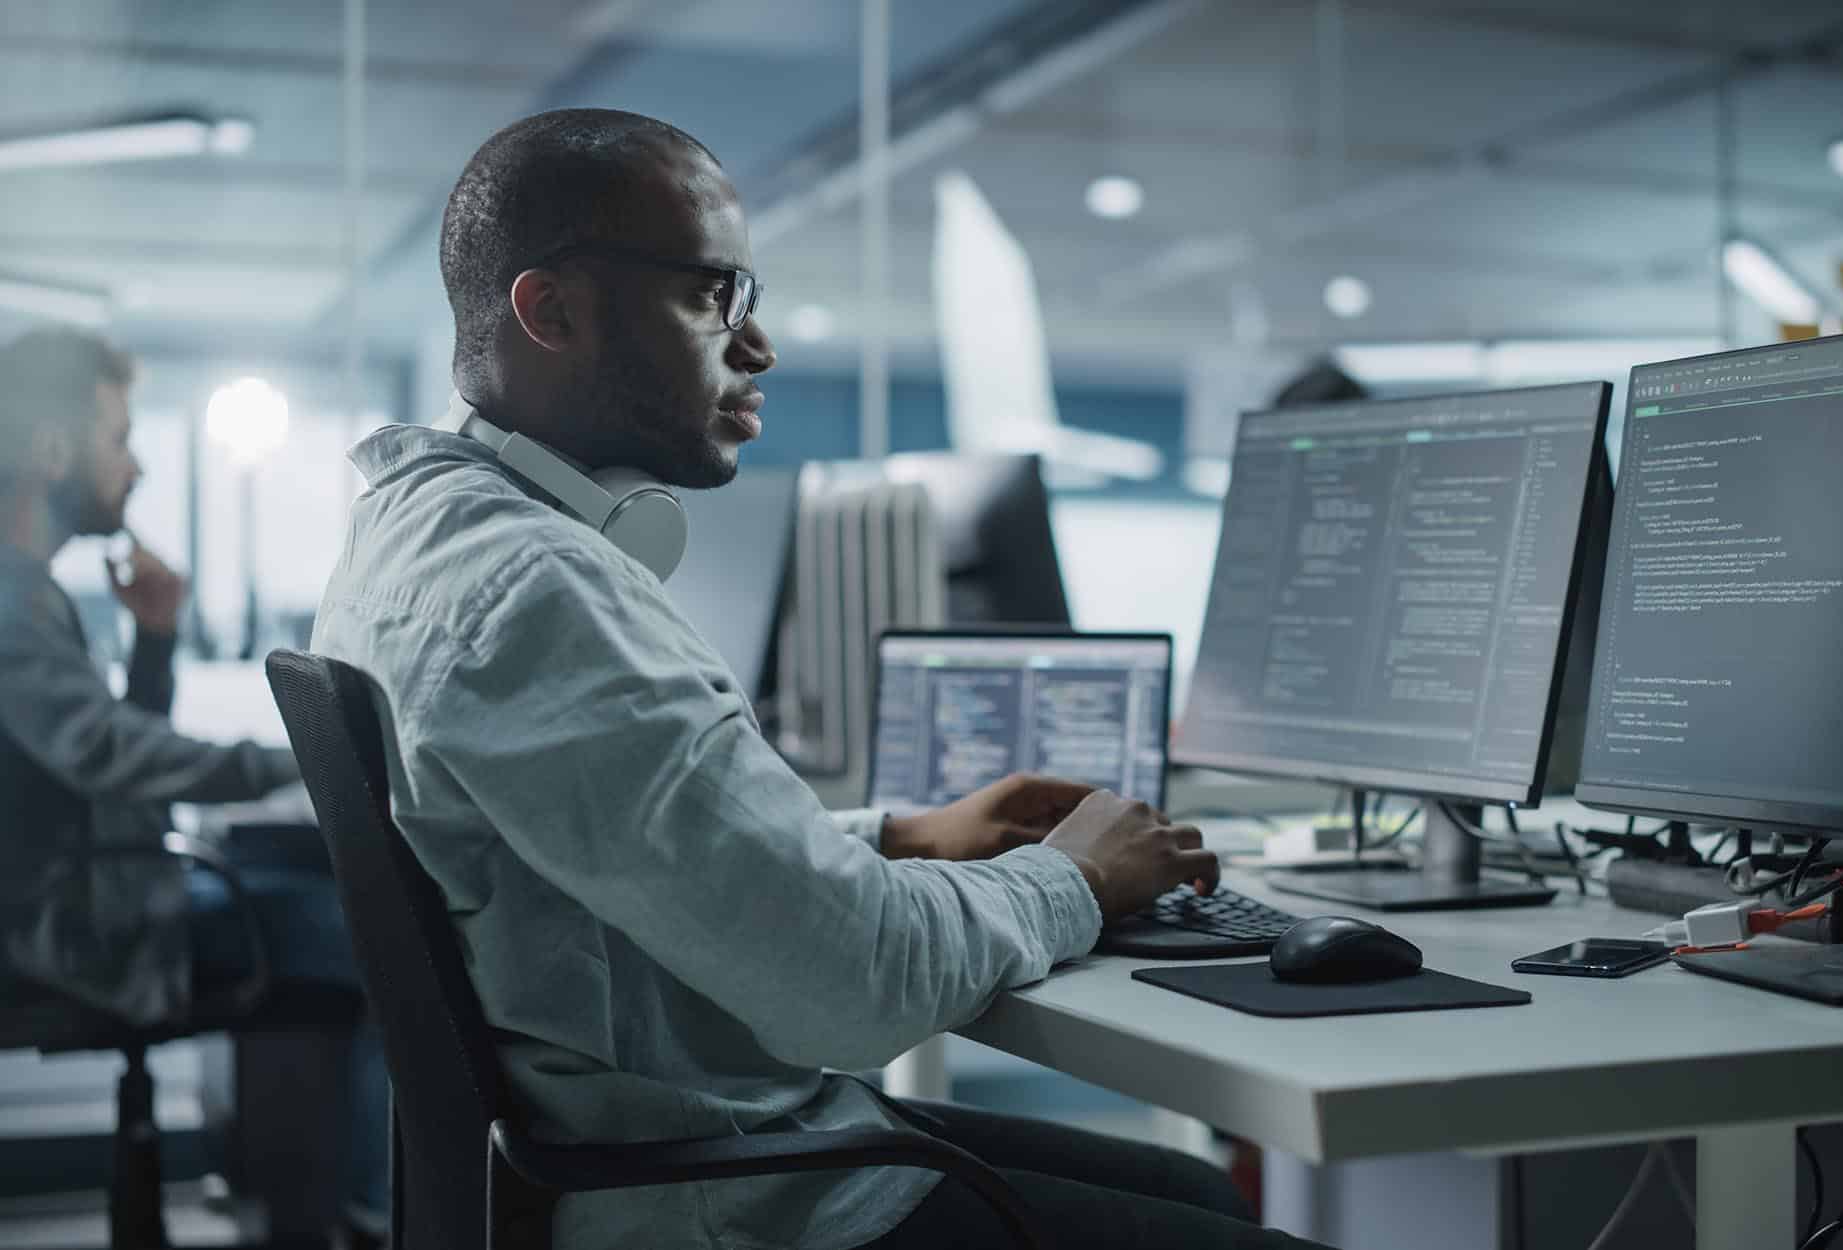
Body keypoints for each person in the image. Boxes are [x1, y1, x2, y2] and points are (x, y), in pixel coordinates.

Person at [311, 109, 1335, 1250]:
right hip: (724, 1198)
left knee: (1192, 1191)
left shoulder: (418, 533)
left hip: (645, 1152)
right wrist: (1077, 877)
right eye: (711, 296)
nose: (757, 347)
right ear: (549, 310)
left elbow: (623, 846)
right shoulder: (538, 591)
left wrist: (896, 835)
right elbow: (858, 984)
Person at [0, 327, 388, 1247]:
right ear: (52, 451)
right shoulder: (11, 601)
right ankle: (384, 1215)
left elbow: (98, 772)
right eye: (119, 439)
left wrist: (159, 639)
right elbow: (114, 755)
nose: (134, 469)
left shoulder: (31, 593)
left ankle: (310, 1203)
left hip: (80, 894)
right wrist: (315, 754)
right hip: (68, 927)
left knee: (331, 889)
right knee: (387, 935)